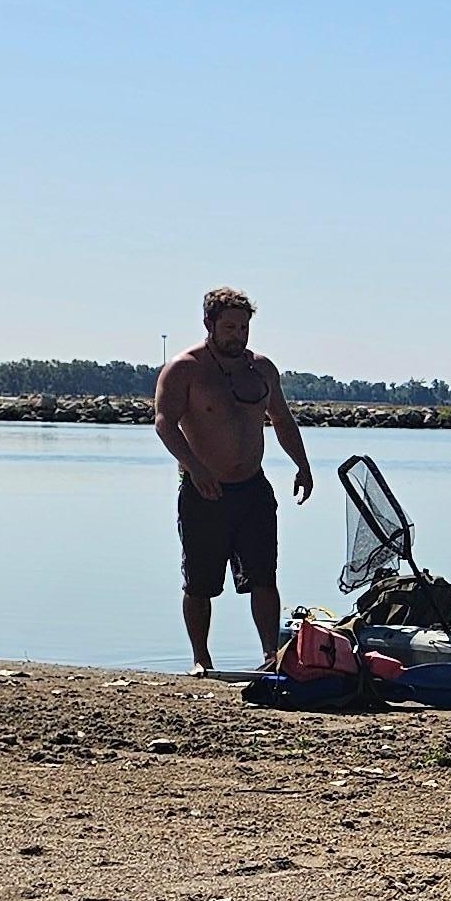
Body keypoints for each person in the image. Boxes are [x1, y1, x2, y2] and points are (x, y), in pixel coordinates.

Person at [152, 288, 314, 674]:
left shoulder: (261, 369)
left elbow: (282, 420)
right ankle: (201, 658)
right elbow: (164, 423)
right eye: (229, 327)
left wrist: (303, 465)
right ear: (209, 324)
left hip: (253, 489)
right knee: (200, 582)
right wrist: (195, 467)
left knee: (264, 576)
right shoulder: (185, 369)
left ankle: (270, 656)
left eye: (243, 328)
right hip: (204, 491)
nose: (238, 335)